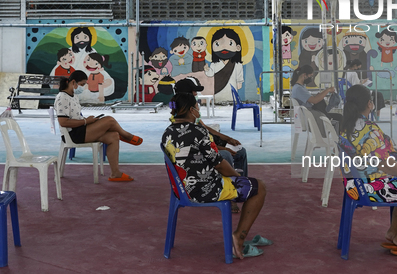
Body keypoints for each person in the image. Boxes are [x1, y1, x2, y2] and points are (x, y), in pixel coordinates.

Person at [162, 93, 267, 259]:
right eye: (197, 107)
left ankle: (237, 238)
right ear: (191, 110)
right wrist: (236, 176)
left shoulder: (168, 133)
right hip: (204, 190)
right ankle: (238, 238)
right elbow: (218, 164)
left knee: (246, 183)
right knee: (259, 187)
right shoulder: (198, 132)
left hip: (181, 189)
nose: (198, 110)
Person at [340, 84, 397, 257]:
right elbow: (386, 164)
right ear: (370, 104)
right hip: (369, 188)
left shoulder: (345, 126)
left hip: (352, 185)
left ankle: (392, 234)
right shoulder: (371, 129)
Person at [54, 70, 143, 182]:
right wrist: (86, 121)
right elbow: (63, 122)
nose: (82, 87)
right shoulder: (62, 97)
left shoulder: (74, 96)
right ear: (73, 82)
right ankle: (127, 135)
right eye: (81, 85)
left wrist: (89, 121)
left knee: (114, 136)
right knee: (110, 120)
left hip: (81, 129)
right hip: (73, 134)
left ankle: (115, 173)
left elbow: (76, 117)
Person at [174, 77, 248, 177]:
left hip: (207, 144)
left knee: (240, 151)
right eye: (194, 91)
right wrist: (224, 149)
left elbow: (205, 128)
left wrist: (228, 139)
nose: (196, 94)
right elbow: (198, 146)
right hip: (197, 154)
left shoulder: (192, 115)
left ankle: (242, 184)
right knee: (226, 156)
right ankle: (232, 185)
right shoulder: (184, 121)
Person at [290, 64, 343, 135]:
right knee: (339, 119)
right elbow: (314, 100)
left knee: (339, 116)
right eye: (310, 76)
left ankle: (339, 141)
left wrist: (320, 95)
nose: (311, 78)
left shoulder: (300, 87)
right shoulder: (298, 88)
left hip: (310, 113)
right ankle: (339, 142)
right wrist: (327, 90)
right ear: (304, 75)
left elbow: (312, 99)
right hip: (310, 116)